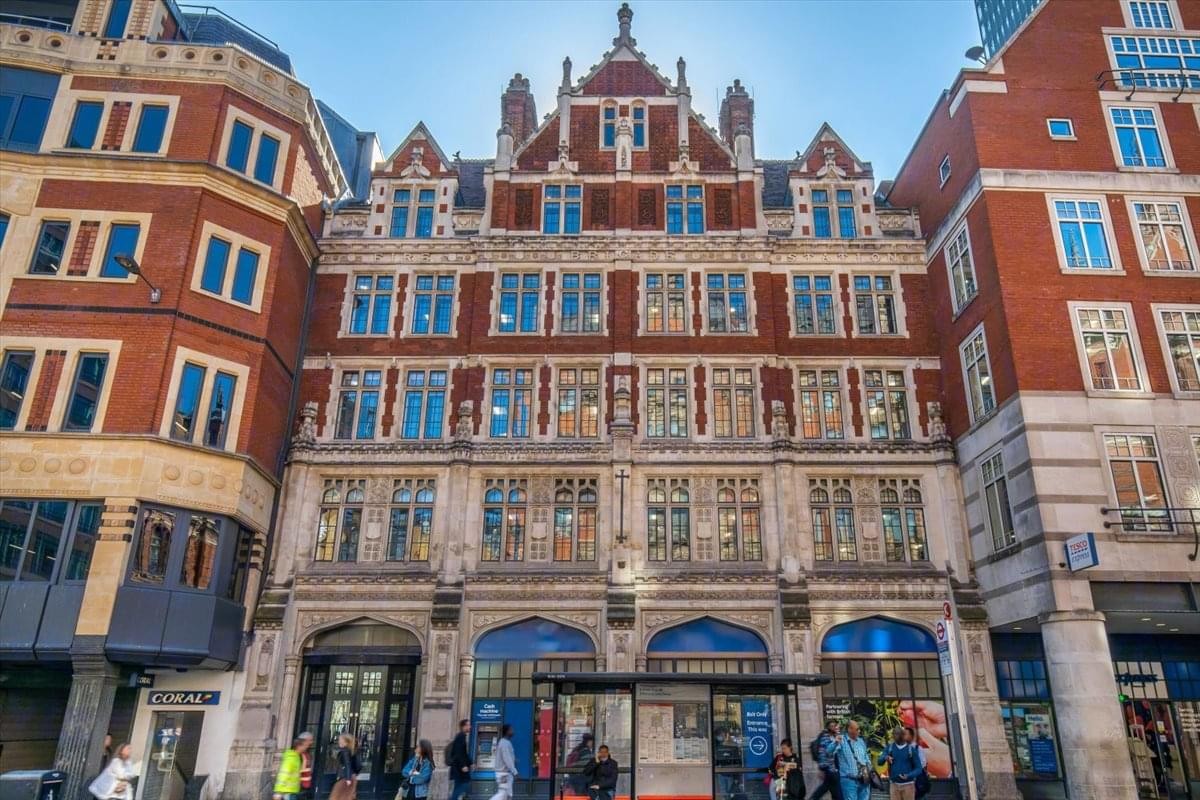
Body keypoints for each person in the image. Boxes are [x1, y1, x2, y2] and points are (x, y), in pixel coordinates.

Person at [877, 727, 921, 800]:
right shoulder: (889, 748)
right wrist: (886, 757)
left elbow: (919, 768)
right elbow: (879, 762)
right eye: (894, 734)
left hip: (908, 785)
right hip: (894, 785)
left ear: (903, 735)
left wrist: (909, 775)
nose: (895, 736)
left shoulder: (911, 749)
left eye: (897, 734)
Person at [832, 720, 871, 800]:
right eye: (857, 729)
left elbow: (866, 756)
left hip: (864, 779)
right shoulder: (841, 740)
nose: (859, 731)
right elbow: (829, 752)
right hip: (849, 780)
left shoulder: (860, 741)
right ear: (849, 729)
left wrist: (869, 767)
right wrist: (835, 743)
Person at [273, 733, 314, 800]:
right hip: (288, 792)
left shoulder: (297, 757)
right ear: (299, 745)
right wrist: (278, 792)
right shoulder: (291, 758)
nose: (307, 747)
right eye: (305, 745)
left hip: (294, 790)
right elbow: (283, 775)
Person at [808, 720, 843, 800]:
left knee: (828, 788)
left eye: (836, 725)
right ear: (829, 727)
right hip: (830, 769)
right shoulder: (826, 737)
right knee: (834, 791)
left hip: (831, 769)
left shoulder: (832, 736)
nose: (835, 728)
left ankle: (813, 798)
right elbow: (826, 753)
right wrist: (822, 768)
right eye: (833, 726)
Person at [488, 724, 518, 800]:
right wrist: (514, 772)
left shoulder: (504, 742)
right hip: (504, 774)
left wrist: (514, 759)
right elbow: (507, 759)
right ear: (507, 732)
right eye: (511, 730)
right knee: (503, 794)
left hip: (505, 773)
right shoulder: (505, 743)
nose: (513, 731)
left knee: (508, 795)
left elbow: (508, 758)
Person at [448, 719, 473, 800]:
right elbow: (458, 753)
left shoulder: (462, 736)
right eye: (468, 725)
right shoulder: (460, 736)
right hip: (459, 768)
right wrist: (463, 765)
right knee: (464, 784)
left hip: (458, 768)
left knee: (459, 786)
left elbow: (464, 753)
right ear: (464, 726)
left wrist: (470, 763)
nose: (470, 727)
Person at [330, 733, 360, 800]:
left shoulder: (344, 751)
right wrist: (353, 775)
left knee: (336, 797)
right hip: (352, 777)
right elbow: (358, 765)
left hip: (345, 778)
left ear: (345, 742)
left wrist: (348, 778)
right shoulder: (352, 750)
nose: (338, 741)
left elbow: (347, 764)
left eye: (340, 740)